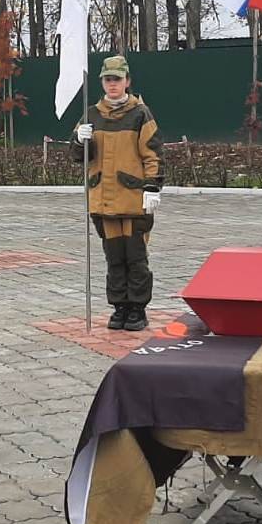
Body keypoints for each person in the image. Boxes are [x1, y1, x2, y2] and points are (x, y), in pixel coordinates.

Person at [71, 55, 165, 331]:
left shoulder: (140, 114)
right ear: (102, 82)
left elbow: (153, 154)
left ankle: (137, 308)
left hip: (133, 200)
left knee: (135, 257)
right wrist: (79, 140)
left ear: (127, 81)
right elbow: (78, 157)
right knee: (114, 258)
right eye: (108, 79)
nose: (112, 84)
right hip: (103, 199)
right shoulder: (91, 115)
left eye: (117, 79)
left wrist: (152, 186)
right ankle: (119, 307)